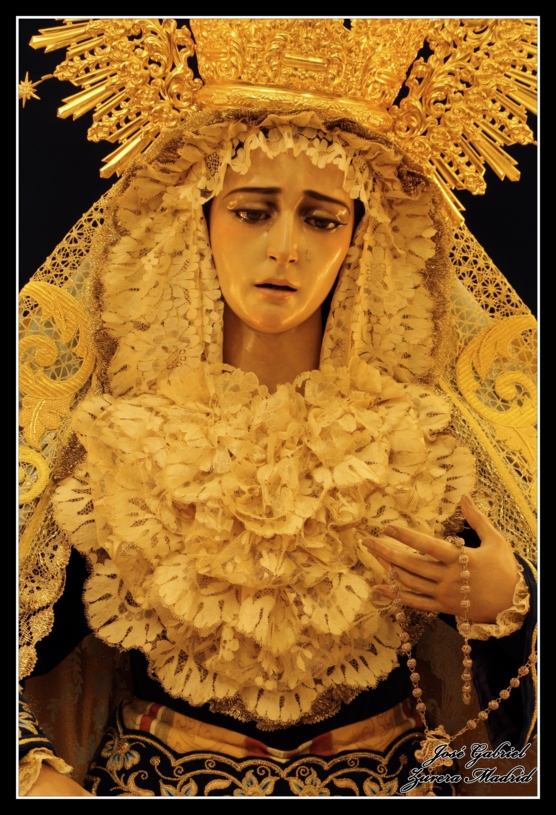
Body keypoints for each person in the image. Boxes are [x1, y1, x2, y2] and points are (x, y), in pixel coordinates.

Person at [19, 21, 537, 798]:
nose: (286, 247)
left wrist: (509, 604)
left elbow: (503, 695)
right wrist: (33, 772)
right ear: (199, 220)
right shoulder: (115, 439)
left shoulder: (426, 441)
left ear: (361, 238)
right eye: (254, 211)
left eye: (322, 218)